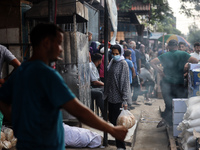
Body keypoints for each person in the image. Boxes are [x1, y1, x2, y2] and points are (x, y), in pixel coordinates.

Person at [0, 23, 128, 150]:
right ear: (46, 43)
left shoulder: (21, 71)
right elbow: (79, 111)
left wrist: (19, 121)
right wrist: (112, 129)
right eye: (58, 43)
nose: (61, 49)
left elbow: (2, 100)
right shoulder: (48, 75)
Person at [150, 39, 198, 127]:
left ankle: (167, 120)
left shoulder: (165, 55)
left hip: (166, 83)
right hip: (179, 83)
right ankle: (175, 121)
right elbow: (195, 61)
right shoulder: (183, 54)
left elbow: (152, 62)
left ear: (168, 47)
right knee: (179, 103)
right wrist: (187, 67)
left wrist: (160, 71)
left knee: (168, 103)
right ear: (177, 46)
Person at [104, 44, 131, 150]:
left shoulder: (123, 64)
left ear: (121, 53)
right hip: (110, 96)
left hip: (118, 98)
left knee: (118, 123)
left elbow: (124, 82)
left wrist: (125, 100)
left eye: (117, 54)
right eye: (113, 53)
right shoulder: (112, 62)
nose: (115, 55)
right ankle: (119, 144)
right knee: (113, 120)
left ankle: (121, 146)